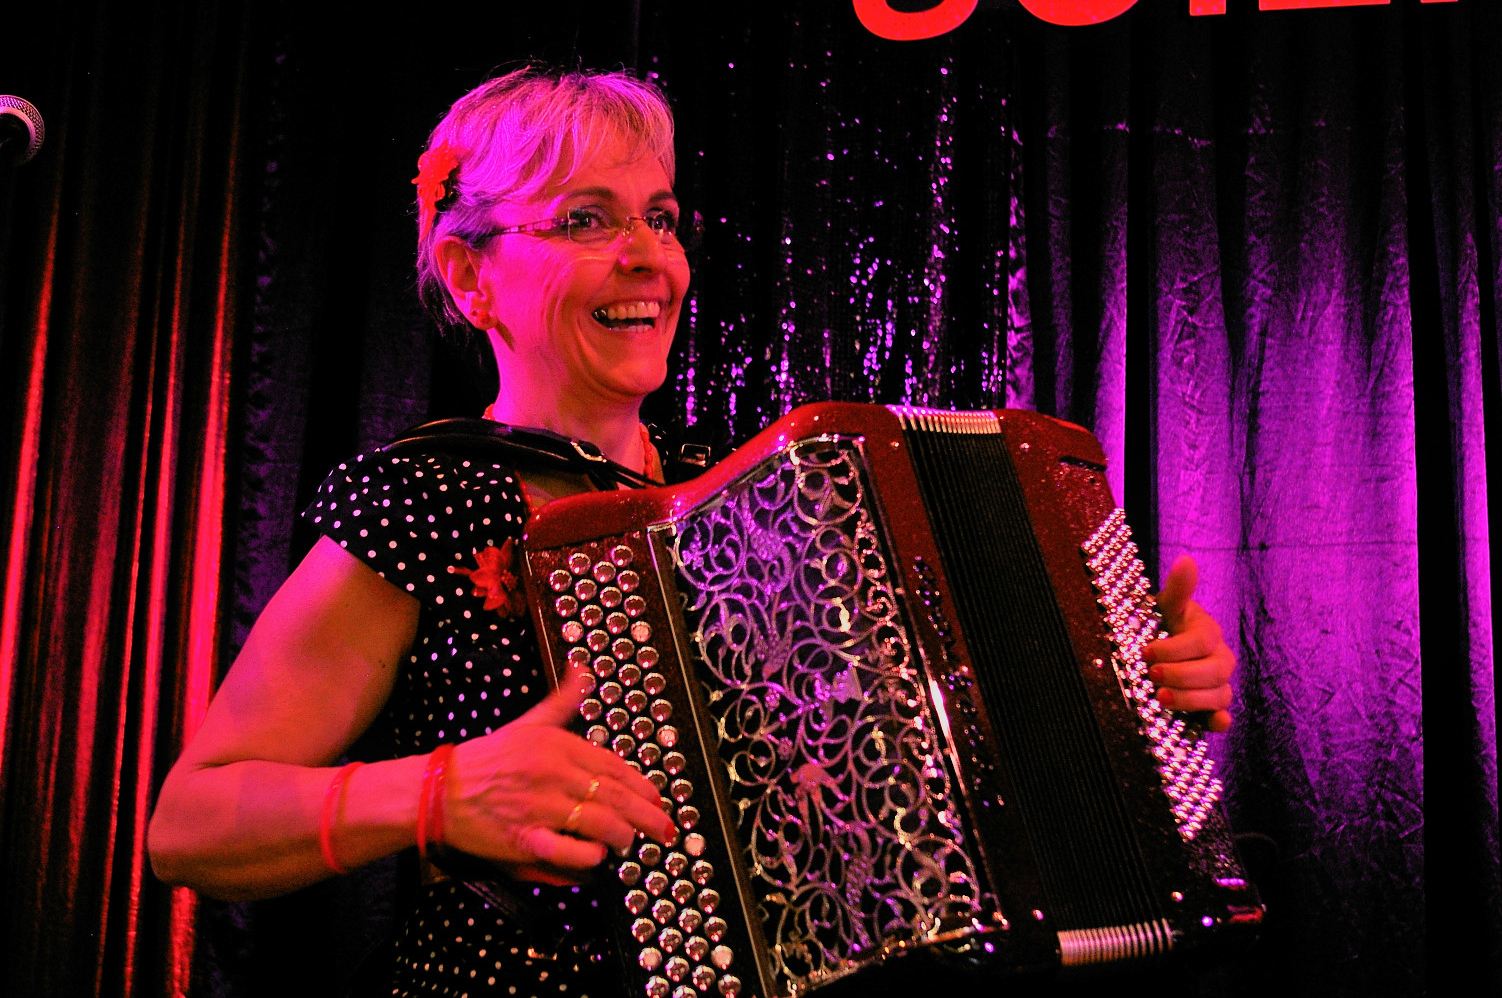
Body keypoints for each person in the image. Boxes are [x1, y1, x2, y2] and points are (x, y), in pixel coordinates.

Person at [148, 67, 1237, 997]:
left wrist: (1122, 693)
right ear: (473, 275)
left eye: (659, 217)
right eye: (585, 219)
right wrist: (434, 793)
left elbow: (922, 751)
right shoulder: (425, 499)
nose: (647, 256)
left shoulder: (762, 487)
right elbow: (189, 824)